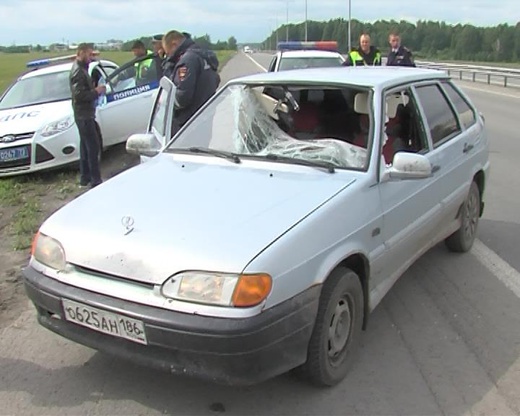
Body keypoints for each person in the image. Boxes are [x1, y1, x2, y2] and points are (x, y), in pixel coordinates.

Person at [161, 30, 220, 135]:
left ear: (174, 44)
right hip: (205, 118)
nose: (169, 56)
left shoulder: (187, 61)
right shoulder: (202, 54)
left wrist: (166, 100)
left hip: (187, 125)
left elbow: (182, 98)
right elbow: (216, 80)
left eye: (168, 52)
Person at [69, 43, 106, 188]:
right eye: (89, 55)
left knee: (85, 147)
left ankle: (85, 177)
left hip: (84, 113)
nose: (91, 58)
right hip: (84, 115)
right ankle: (95, 180)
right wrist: (97, 91)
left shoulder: (82, 69)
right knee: (92, 147)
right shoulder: (78, 72)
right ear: (82, 53)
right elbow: (79, 95)